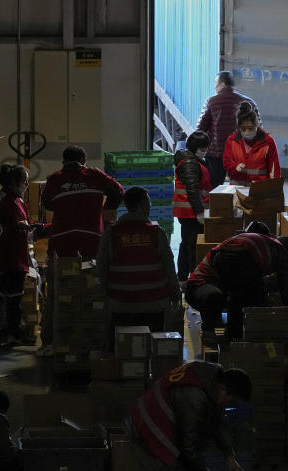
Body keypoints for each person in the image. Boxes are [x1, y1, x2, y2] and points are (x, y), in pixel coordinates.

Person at [37, 145, 124, 356]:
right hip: (90, 243)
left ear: (63, 161)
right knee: (91, 291)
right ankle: (93, 340)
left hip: (61, 245)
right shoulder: (94, 175)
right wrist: (105, 209)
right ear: (83, 160)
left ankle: (49, 341)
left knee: (57, 293)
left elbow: (47, 204)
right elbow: (119, 191)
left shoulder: (54, 179)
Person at [127, 361, 252, 471]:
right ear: (223, 389)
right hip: (152, 434)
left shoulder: (210, 380)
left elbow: (216, 422)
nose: (228, 405)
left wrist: (229, 456)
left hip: (142, 426)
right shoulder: (193, 395)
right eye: (231, 400)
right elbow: (187, 445)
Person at [186, 231, 288, 343]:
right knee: (247, 297)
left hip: (223, 261)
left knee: (243, 295)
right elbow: (286, 288)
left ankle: (234, 334)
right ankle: (236, 337)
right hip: (200, 287)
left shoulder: (267, 243)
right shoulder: (284, 253)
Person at [0, 164, 43, 349]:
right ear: (15, 181)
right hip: (2, 259)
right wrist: (16, 228)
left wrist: (35, 228)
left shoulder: (18, 201)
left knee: (15, 297)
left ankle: (15, 332)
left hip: (17, 258)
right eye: (24, 181)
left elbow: (26, 223)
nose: (27, 184)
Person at [98, 187, 180, 334]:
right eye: (149, 203)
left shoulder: (112, 233)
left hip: (121, 304)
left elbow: (101, 268)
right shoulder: (157, 232)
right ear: (143, 205)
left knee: (125, 347)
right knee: (151, 346)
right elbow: (169, 268)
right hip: (154, 305)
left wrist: (107, 297)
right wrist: (176, 295)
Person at [197, 71, 259, 188]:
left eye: (216, 83)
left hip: (216, 155)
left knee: (214, 189)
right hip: (240, 155)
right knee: (241, 188)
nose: (215, 86)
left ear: (222, 85)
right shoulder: (249, 102)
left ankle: (217, 206)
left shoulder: (211, 102)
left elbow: (200, 130)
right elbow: (258, 130)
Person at [173, 131, 211, 280]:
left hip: (189, 211)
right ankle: (188, 277)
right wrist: (200, 212)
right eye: (202, 148)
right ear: (195, 148)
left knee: (187, 243)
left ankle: (184, 276)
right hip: (190, 212)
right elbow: (192, 189)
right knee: (191, 246)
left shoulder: (192, 160)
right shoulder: (190, 163)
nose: (205, 151)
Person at [222, 102, 281, 185]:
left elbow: (274, 170)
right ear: (238, 128)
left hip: (260, 189)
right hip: (236, 189)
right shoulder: (231, 141)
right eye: (243, 129)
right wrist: (235, 167)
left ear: (256, 125)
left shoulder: (268, 142)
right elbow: (227, 161)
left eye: (251, 128)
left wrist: (274, 190)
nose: (247, 132)